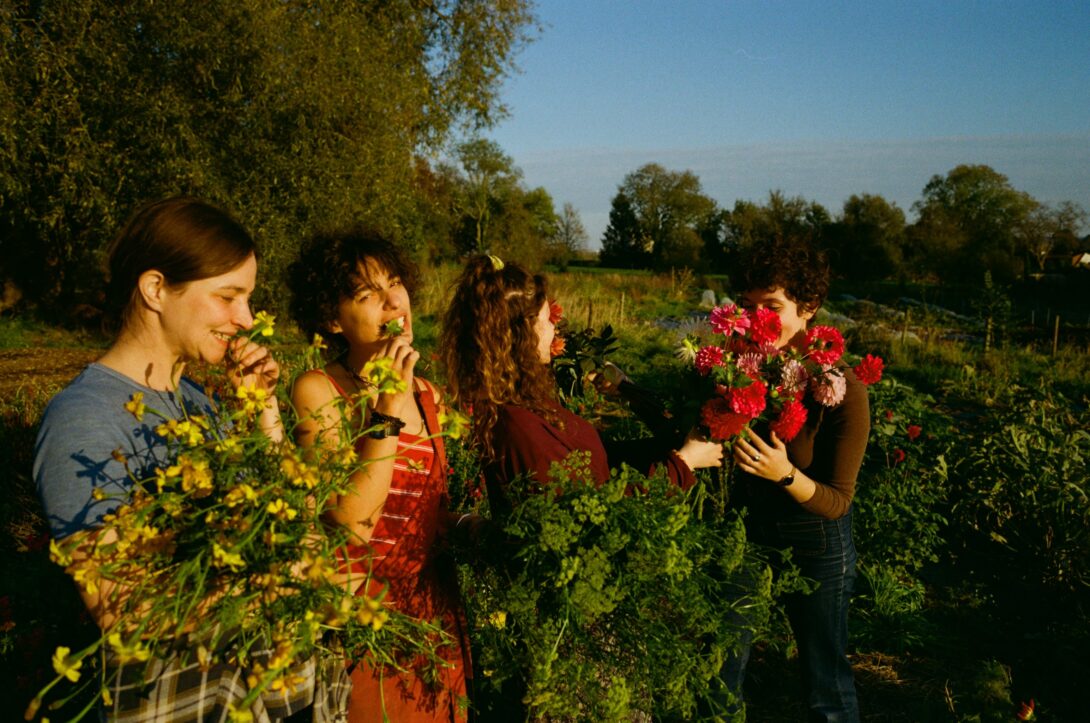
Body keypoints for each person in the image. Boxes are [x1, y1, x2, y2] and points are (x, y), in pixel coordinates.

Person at [33, 197, 340, 721]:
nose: (246, 319)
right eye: (229, 297)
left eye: (249, 298)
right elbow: (124, 610)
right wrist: (278, 577)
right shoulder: (84, 419)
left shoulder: (202, 402)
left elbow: (303, 527)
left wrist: (263, 409)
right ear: (156, 289)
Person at [288, 229, 470, 723]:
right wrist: (387, 407)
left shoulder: (428, 394)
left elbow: (422, 509)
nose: (394, 302)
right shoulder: (319, 390)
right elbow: (349, 520)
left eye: (395, 284)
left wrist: (472, 527)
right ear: (331, 318)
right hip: (362, 622)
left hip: (432, 618)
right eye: (367, 295)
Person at [439, 255, 723, 516]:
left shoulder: (526, 401)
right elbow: (590, 517)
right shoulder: (519, 427)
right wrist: (682, 464)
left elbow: (595, 460)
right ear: (520, 335)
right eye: (545, 319)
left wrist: (669, 445)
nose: (554, 328)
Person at [723, 237, 869, 722]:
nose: (757, 318)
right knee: (720, 667)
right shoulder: (739, 372)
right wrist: (626, 389)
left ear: (809, 308)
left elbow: (838, 502)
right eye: (747, 306)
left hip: (817, 541)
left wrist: (785, 474)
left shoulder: (841, 390)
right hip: (749, 535)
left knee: (825, 685)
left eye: (773, 305)